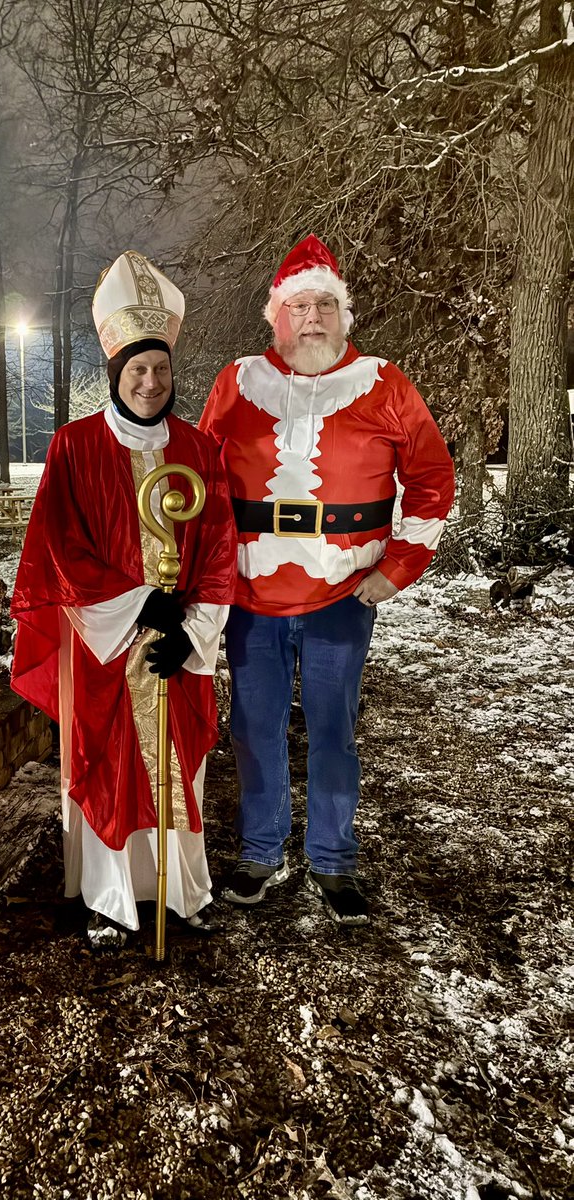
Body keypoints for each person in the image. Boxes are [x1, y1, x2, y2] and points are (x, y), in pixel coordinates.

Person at [199, 235, 455, 925]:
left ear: (344, 315)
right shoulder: (237, 382)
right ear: (275, 316)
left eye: (324, 306)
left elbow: (432, 479)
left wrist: (397, 568)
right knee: (253, 727)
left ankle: (334, 860)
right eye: (297, 306)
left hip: (344, 592)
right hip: (253, 593)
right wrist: (206, 572)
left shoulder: (384, 383)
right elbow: (199, 476)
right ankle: (261, 852)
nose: (311, 318)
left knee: (334, 729)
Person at [11, 250, 237, 949]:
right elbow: (57, 548)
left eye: (160, 369)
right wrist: (139, 604)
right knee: (109, 763)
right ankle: (109, 896)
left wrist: (191, 631)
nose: (149, 382)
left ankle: (178, 890)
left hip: (176, 649)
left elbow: (219, 550)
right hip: (103, 645)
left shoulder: (199, 450)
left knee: (178, 762)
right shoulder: (74, 446)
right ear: (115, 372)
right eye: (137, 369)